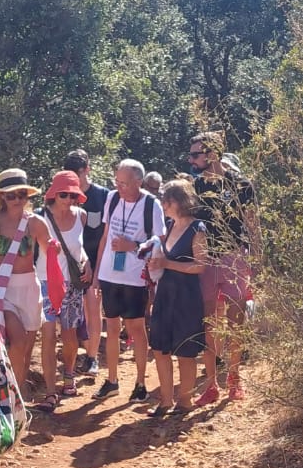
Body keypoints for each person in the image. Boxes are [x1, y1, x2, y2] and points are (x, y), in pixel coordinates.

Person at [187, 131, 262, 403]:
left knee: (235, 322)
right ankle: (210, 385)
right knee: (209, 323)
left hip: (234, 259)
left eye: (195, 154)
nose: (191, 159)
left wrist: (257, 259)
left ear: (212, 154)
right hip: (206, 260)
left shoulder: (241, 185)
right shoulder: (194, 188)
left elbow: (252, 224)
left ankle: (234, 380)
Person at [92, 158, 166, 404]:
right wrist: (96, 276)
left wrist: (132, 246)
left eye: (124, 183)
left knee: (135, 329)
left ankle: (141, 383)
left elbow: (159, 240)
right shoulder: (112, 199)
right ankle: (112, 381)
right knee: (111, 328)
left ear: (138, 182)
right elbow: (105, 237)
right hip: (109, 275)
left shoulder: (151, 204)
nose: (119, 186)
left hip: (135, 277)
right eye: (117, 181)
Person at [0, 168, 52, 391]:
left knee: (26, 347)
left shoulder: (35, 223)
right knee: (17, 342)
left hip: (28, 287)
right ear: (2, 197)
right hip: (1, 287)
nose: (17, 200)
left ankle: (17, 397)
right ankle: (6, 393)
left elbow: (52, 254)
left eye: (22, 195)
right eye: (11, 195)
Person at [146, 179, 209, 416]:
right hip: (165, 293)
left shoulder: (198, 229)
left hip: (186, 296)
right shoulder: (169, 226)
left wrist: (167, 263)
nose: (163, 204)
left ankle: (184, 401)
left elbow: (200, 266)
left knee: (185, 350)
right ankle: (165, 401)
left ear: (179, 201)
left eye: (167, 200)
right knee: (161, 348)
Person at [35, 170, 91, 411]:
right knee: (48, 338)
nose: (69, 200)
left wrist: (87, 262)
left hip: (71, 285)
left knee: (70, 337)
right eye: (64, 195)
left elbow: (79, 247)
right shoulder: (39, 218)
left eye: (73, 196)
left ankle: (68, 374)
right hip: (45, 283)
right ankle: (49, 392)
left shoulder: (81, 216)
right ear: (53, 194)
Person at [63, 148, 109, 379]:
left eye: (78, 174)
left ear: (87, 170)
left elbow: (105, 235)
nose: (75, 181)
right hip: (69, 265)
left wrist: (99, 268)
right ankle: (73, 357)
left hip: (95, 261)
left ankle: (92, 358)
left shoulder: (103, 196)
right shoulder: (64, 196)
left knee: (93, 309)